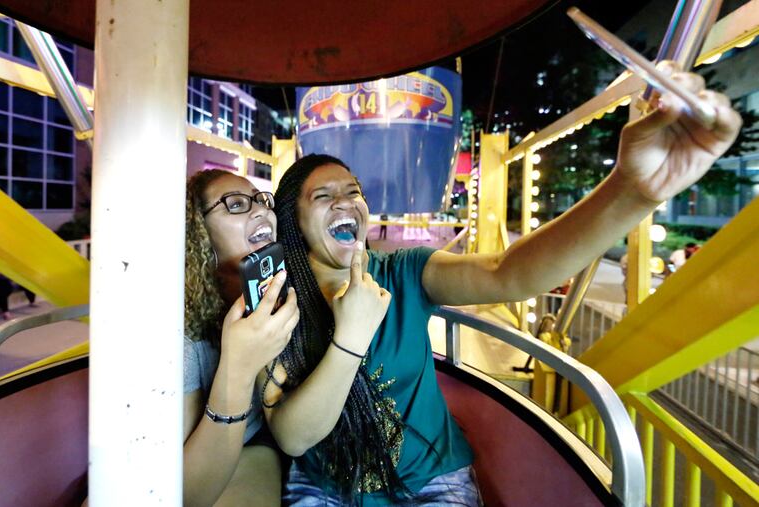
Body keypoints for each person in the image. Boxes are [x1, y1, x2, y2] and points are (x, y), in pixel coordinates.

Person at [258, 64, 741, 506]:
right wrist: (350, 338)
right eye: (323, 196)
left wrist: (631, 192)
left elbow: (509, 274)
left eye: (354, 192)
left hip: (430, 484)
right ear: (294, 222)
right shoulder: (276, 305)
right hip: (326, 489)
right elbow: (294, 439)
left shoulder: (403, 272)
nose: (346, 202)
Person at [182, 169, 300, 507]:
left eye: (263, 201)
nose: (262, 210)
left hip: (253, 444)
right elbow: (186, 492)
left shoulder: (288, 295)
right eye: (235, 204)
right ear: (198, 234)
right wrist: (240, 366)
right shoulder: (179, 336)